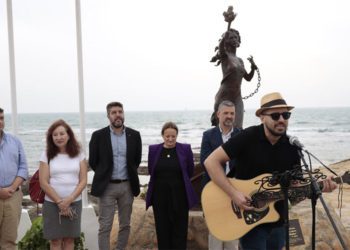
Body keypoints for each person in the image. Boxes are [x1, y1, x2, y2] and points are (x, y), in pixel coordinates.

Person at [204, 92, 337, 250]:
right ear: (262, 117)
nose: (281, 119)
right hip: (250, 221)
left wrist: (318, 188)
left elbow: (293, 191)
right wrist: (234, 194)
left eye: (285, 115)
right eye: (275, 115)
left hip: (279, 222)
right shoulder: (247, 137)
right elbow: (210, 162)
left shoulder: (292, 147)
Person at [89, 101, 142, 250]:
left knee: (125, 224)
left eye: (120, 111)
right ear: (108, 116)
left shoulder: (134, 135)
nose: (118, 115)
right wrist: (104, 174)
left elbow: (136, 161)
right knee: (105, 226)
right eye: (114, 112)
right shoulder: (98, 136)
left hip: (127, 187)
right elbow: (93, 161)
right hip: (107, 187)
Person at [146, 122, 198, 250]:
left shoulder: (185, 149)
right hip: (160, 198)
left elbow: (190, 171)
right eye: (167, 136)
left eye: (173, 136)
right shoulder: (153, 150)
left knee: (180, 230)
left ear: (177, 136)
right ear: (163, 135)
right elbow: (151, 170)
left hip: (180, 196)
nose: (170, 139)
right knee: (162, 230)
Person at [39, 119, 87, 250]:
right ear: (51, 137)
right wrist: (60, 202)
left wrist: (69, 200)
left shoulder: (79, 154)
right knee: (55, 241)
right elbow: (43, 182)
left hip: (74, 203)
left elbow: (83, 181)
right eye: (55, 135)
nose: (58, 137)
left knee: (69, 239)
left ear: (68, 135)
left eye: (61, 134)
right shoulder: (46, 154)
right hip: (52, 204)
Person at [200, 100, 240, 250]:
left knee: (233, 235)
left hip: (236, 190)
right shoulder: (208, 135)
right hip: (213, 189)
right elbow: (206, 163)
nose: (229, 116)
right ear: (218, 114)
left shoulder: (241, 135)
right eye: (226, 113)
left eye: (232, 113)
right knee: (215, 235)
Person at [210, 28, 257, 128]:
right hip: (224, 96)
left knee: (238, 127)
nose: (234, 39)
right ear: (227, 40)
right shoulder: (225, 56)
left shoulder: (240, 60)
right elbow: (221, 48)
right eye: (231, 38)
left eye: (236, 37)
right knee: (221, 127)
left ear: (239, 40)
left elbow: (248, 78)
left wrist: (253, 67)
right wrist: (224, 37)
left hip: (237, 97)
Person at [0, 108, 28, 250]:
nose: (0, 122)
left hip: (13, 197)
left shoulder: (14, 141)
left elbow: (23, 167)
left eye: (2, 118)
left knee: (9, 242)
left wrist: (11, 188)